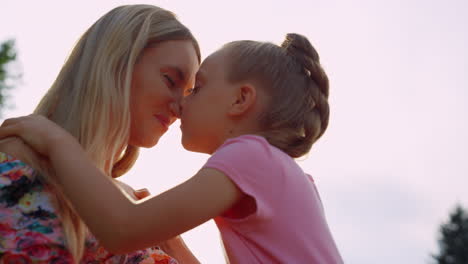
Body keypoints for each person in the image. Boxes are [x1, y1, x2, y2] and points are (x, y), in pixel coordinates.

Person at [0, 33, 344, 263]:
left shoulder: (249, 155)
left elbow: (122, 230)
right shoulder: (282, 174)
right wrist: (173, 243)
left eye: (198, 88)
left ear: (241, 99)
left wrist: (56, 141)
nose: (181, 104)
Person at [0, 4, 201, 263]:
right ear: (116, 63)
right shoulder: (16, 164)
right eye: (170, 80)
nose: (180, 108)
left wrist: (171, 242)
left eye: (188, 94)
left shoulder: (132, 210)